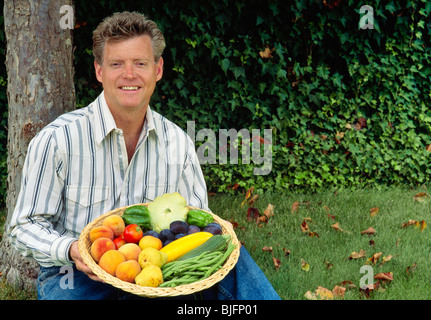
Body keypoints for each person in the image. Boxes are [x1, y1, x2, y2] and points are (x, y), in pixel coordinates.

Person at [8, 11, 280, 300]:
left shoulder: (178, 142)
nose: (129, 74)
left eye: (140, 63)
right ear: (99, 71)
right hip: (77, 275)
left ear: (158, 69)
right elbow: (25, 226)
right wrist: (72, 250)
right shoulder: (59, 139)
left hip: (157, 270)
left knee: (231, 256)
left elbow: (198, 225)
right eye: (116, 64)